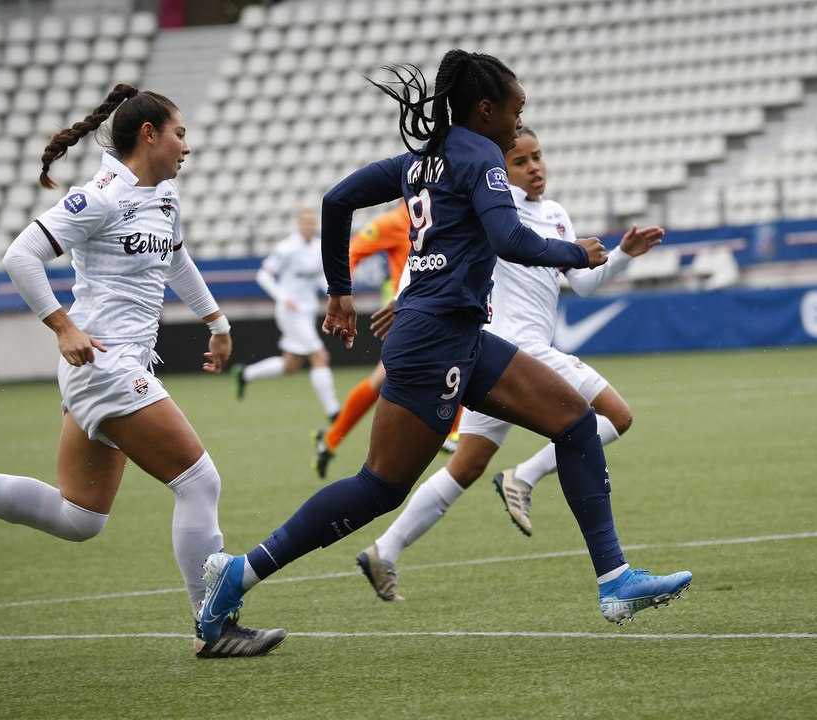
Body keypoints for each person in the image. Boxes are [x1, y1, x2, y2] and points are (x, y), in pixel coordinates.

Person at [197, 50, 691, 647]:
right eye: (516, 112)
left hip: (456, 333)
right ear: (487, 111)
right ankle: (238, 573)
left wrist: (341, 294)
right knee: (380, 486)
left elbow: (335, 201)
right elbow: (509, 239)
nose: (519, 124)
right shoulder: (480, 153)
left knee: (576, 422)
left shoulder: (420, 161)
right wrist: (577, 253)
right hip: (434, 341)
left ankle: (615, 581)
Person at [0, 84, 283, 659]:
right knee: (199, 481)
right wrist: (63, 326)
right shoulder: (100, 196)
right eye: (180, 133)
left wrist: (216, 321)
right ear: (150, 135)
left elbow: (177, 256)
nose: (187, 146)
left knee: (80, 517)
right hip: (105, 364)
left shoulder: (164, 194)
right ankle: (214, 625)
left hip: (113, 368)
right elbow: (20, 256)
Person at [356, 126, 656, 600]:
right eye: (521, 161)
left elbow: (581, 284)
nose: (534, 167)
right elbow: (433, 248)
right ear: (500, 169)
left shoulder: (556, 213)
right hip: (519, 353)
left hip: (490, 360)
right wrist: (407, 300)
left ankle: (384, 550)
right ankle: (525, 476)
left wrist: (621, 255)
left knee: (466, 468)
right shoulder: (491, 206)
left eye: (538, 157)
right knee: (615, 416)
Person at [313, 203, 459, 478]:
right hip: (410, 312)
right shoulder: (396, 220)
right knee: (457, 357)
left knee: (382, 379)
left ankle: (330, 439)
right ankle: (452, 431)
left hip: (438, 306)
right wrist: (342, 290)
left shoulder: (445, 211)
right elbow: (353, 250)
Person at [230, 209, 341, 423]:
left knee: (291, 365)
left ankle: (245, 373)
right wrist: (282, 297)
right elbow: (263, 275)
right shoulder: (287, 248)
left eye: (312, 223)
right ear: (299, 224)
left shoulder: (318, 247)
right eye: (306, 223)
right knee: (320, 356)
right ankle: (334, 412)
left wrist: (333, 293)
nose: (310, 226)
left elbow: (319, 277)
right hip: (290, 312)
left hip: (307, 311)